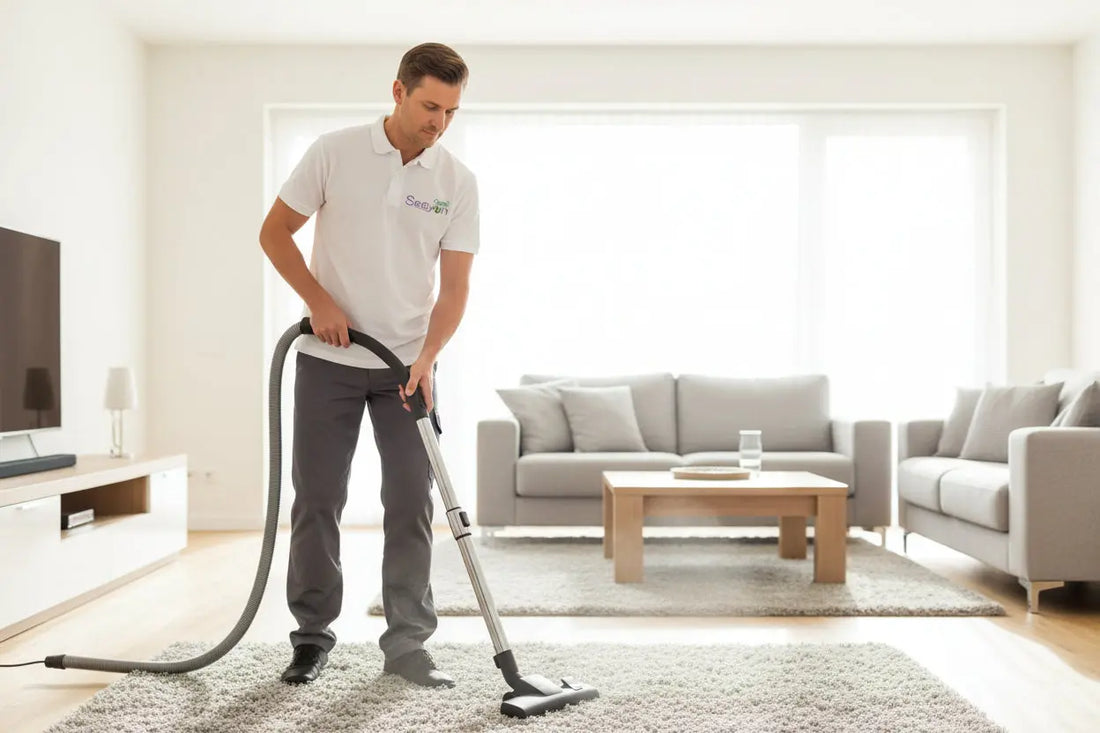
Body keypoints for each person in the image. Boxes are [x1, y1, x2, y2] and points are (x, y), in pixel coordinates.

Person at [258, 42, 478, 688]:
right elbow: (275, 232)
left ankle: (408, 645)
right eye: (430, 105)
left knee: (411, 501)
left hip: (407, 368)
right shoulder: (335, 151)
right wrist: (319, 300)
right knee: (318, 499)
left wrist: (430, 356)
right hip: (329, 359)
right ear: (398, 91)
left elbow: (456, 289)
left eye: (451, 111)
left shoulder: (456, 183)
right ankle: (312, 637)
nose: (439, 122)